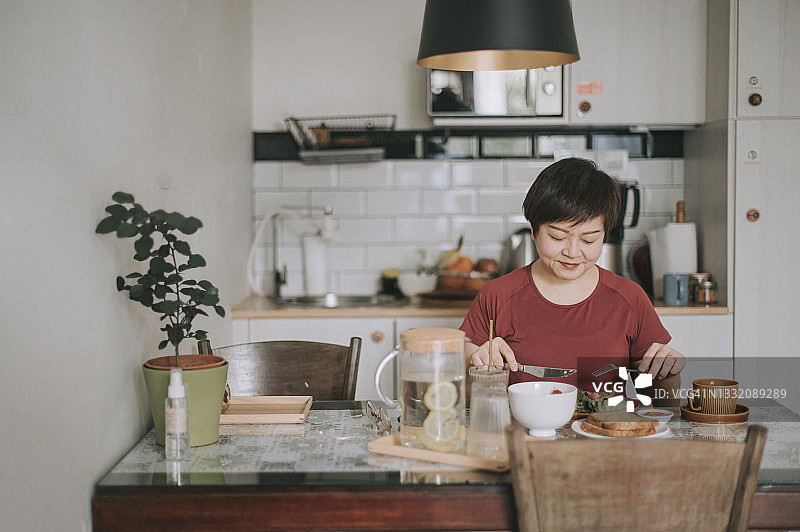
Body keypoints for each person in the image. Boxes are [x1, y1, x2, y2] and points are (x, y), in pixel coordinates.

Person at [460, 157, 685, 395]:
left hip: (603, 430)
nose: (573, 252)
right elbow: (465, 394)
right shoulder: (497, 296)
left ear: (604, 235)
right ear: (534, 231)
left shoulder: (630, 298)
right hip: (519, 431)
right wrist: (475, 366)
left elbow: (658, 401)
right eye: (557, 237)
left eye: (589, 239)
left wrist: (667, 373)